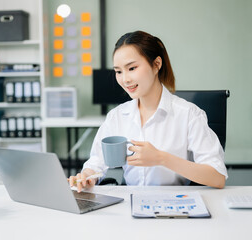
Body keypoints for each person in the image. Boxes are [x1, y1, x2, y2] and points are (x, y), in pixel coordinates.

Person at [69, 30, 228, 192]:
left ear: (156, 64)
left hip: (177, 205)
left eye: (132, 68)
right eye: (118, 71)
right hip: (130, 205)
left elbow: (217, 176)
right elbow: (97, 162)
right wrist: (86, 176)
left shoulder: (188, 114)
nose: (125, 79)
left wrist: (161, 158)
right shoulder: (117, 116)